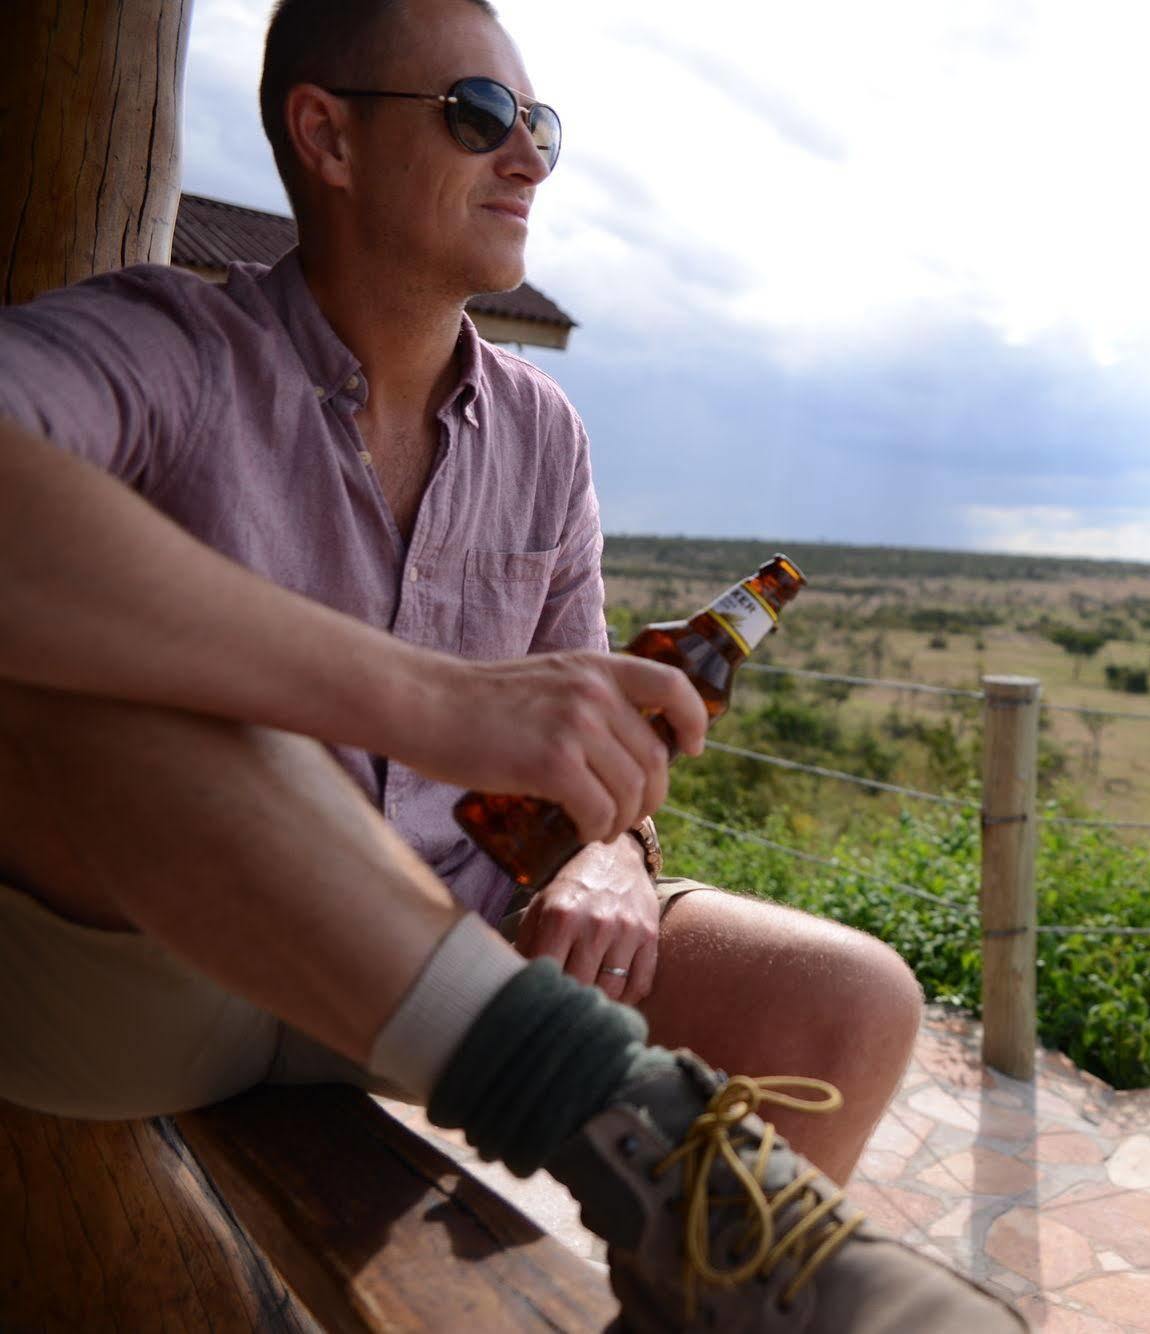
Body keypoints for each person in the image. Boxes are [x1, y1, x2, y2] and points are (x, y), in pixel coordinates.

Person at [0, 0, 1020, 1327]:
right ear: (328, 136)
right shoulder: (165, 349)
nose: (530, 157)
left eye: (539, 126)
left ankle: (696, 1264)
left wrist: (607, 856)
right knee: (105, 661)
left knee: (848, 1000)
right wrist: (428, 699)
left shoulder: (544, 433)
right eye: (480, 117)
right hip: (152, 965)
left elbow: (588, 751)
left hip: (452, 941)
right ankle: (602, 1105)